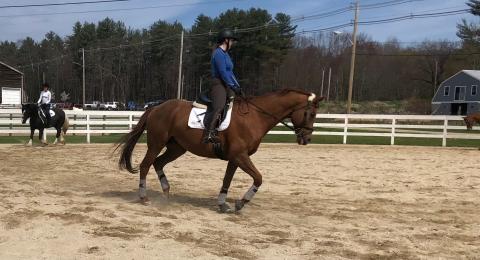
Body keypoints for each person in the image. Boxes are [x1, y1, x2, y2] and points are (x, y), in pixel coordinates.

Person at [203, 29, 242, 143]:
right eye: (232, 41)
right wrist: (231, 85)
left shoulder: (226, 55)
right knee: (219, 106)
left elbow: (230, 73)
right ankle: (209, 133)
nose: (233, 43)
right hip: (218, 83)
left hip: (227, 83)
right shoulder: (218, 53)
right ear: (226, 40)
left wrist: (237, 86)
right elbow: (222, 72)